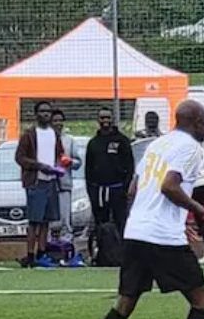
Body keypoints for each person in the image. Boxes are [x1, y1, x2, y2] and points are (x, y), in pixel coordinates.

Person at [78, 100, 204, 319]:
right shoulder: (191, 148)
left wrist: (149, 213)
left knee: (124, 304)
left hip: (137, 232)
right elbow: (169, 186)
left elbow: (134, 188)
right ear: (197, 122)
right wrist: (202, 211)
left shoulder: (157, 145)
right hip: (163, 236)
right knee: (202, 301)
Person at [15, 101, 65, 268]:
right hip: (36, 182)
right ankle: (30, 255)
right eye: (42, 111)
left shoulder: (54, 134)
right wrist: (39, 166)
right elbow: (20, 158)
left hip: (51, 182)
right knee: (34, 221)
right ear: (36, 114)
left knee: (46, 221)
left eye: (48, 111)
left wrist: (62, 163)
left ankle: (42, 253)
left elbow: (60, 154)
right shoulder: (29, 135)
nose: (46, 114)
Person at [85, 107, 134, 234]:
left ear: (112, 119)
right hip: (99, 191)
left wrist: (125, 188)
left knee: (120, 223)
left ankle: (121, 246)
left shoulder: (122, 141)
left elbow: (130, 166)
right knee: (101, 225)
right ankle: (102, 246)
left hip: (117, 190)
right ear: (98, 120)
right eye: (102, 118)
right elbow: (88, 170)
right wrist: (92, 192)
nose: (105, 120)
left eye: (108, 117)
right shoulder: (93, 143)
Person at [51, 109, 84, 251]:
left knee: (65, 220)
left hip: (64, 185)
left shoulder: (69, 140)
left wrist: (70, 161)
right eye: (55, 120)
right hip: (47, 186)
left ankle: (66, 249)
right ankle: (50, 249)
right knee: (51, 221)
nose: (58, 123)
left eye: (60, 120)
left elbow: (78, 162)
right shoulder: (44, 140)